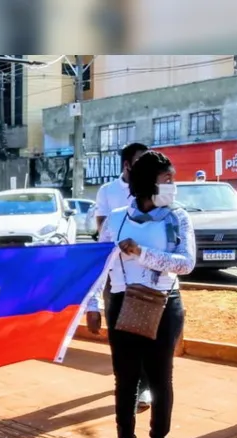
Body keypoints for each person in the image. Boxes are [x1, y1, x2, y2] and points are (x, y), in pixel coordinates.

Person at [103, 151, 195, 438]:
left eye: (173, 179)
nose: (173, 186)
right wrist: (89, 306)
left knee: (160, 378)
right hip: (121, 304)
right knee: (125, 379)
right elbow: (101, 265)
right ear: (146, 183)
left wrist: (142, 254)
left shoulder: (177, 217)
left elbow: (186, 263)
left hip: (163, 304)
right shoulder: (115, 219)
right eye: (166, 180)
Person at [86, 142, 153, 412]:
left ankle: (144, 388)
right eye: (141, 161)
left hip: (146, 273)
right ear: (127, 165)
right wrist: (93, 305)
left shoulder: (155, 190)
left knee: (146, 334)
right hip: (116, 275)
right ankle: (126, 383)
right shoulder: (109, 192)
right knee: (120, 335)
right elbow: (104, 233)